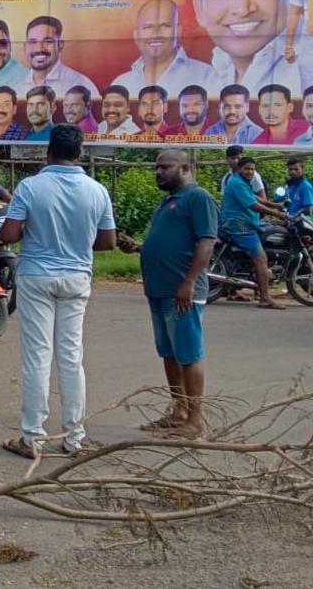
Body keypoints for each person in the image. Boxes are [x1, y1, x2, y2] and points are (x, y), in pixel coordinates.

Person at [0, 124, 116, 458]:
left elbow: (8, 234)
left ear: (47, 151)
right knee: (71, 356)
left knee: (37, 356)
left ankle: (32, 437)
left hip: (36, 275)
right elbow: (107, 241)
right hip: (77, 276)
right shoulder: (96, 190)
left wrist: (34, 230)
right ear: (79, 153)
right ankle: (74, 437)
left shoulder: (31, 186)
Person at [117, 150, 218, 440]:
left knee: (188, 354)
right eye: (156, 167)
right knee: (170, 353)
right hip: (159, 291)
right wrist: (137, 247)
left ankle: (195, 421)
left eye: (165, 167)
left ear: (185, 168)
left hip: (182, 292)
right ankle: (179, 411)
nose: (158, 172)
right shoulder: (168, 201)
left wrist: (189, 282)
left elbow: (206, 243)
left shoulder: (198, 198)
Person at [110, 0, 220, 98]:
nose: (156, 33)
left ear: (178, 32)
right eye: (147, 27)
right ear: (136, 36)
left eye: (165, 26)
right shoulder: (121, 84)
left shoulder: (207, 77)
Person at [219, 155, 287, 310]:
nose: (249, 172)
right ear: (240, 169)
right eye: (246, 169)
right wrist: (277, 214)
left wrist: (275, 205)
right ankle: (265, 298)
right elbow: (252, 204)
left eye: (252, 169)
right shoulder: (236, 182)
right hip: (240, 226)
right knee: (261, 259)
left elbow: (255, 198)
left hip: (246, 223)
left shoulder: (242, 182)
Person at [13, 16, 100, 98]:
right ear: (25, 47)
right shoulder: (16, 89)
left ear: (60, 45)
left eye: (48, 41)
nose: (39, 49)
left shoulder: (80, 83)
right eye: (32, 42)